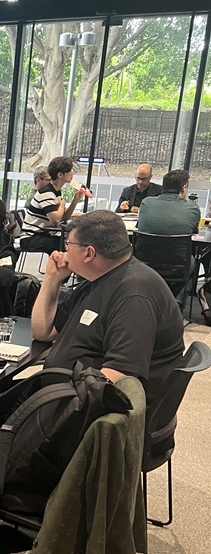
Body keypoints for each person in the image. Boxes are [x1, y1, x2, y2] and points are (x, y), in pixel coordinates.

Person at [31, 210, 184, 407]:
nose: (64, 250)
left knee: (5, 415)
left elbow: (118, 378)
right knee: (5, 403)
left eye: (69, 244)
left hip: (96, 410)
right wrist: (52, 278)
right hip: (66, 392)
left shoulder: (135, 295)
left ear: (89, 253)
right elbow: (43, 331)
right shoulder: (98, 278)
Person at [19, 156, 89, 254]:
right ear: (60, 175)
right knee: (70, 246)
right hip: (31, 238)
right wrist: (62, 204)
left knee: (72, 242)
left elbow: (64, 217)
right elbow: (55, 220)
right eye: (70, 170)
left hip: (42, 235)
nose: (72, 173)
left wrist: (75, 200)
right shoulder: (46, 192)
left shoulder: (56, 191)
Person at [136, 168, 200, 235]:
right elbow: (194, 232)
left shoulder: (146, 203)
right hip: (179, 242)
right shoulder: (192, 208)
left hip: (146, 242)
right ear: (183, 188)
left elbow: (139, 226)